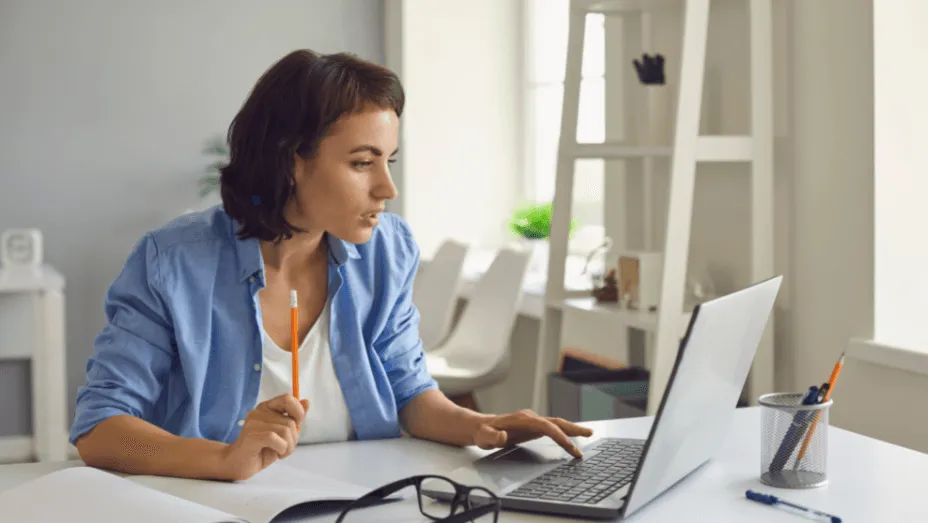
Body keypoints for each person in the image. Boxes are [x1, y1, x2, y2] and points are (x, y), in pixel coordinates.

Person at [70, 49, 593, 482]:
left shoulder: (387, 248)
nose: (387, 188)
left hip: (360, 498)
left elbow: (410, 392)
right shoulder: (174, 261)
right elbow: (101, 428)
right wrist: (222, 460)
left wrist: (486, 427)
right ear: (292, 160)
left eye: (389, 161)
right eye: (362, 163)